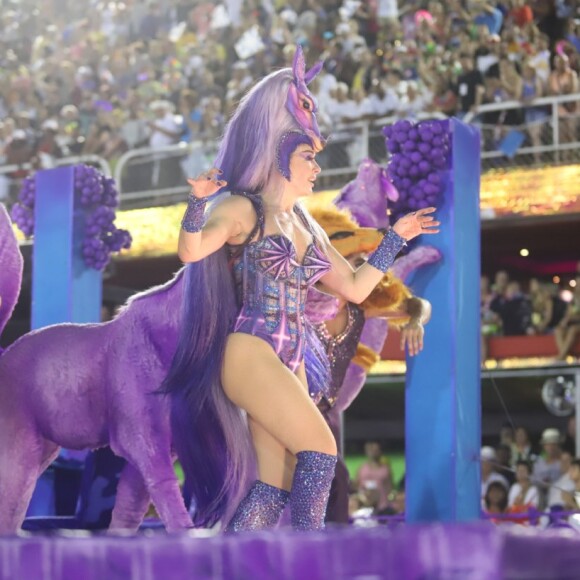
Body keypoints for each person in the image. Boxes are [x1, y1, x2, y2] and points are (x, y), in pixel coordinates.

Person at [161, 47, 440, 533]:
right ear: (277, 156)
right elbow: (190, 253)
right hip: (250, 351)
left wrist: (398, 237)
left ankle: (235, 566)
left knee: (275, 487)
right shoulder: (242, 208)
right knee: (322, 449)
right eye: (307, 155)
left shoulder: (308, 226)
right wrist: (195, 205)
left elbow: (355, 289)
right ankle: (308, 562)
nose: (316, 165)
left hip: (288, 356)